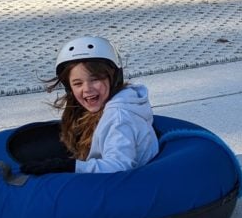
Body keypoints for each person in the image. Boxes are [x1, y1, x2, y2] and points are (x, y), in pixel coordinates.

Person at [21, 35, 159, 175]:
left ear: (113, 79)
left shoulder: (119, 118)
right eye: (78, 83)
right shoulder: (108, 108)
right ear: (69, 87)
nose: (87, 89)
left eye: (95, 79)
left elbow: (120, 166)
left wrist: (70, 166)